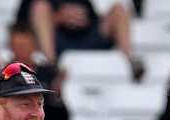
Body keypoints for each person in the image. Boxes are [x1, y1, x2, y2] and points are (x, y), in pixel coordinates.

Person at [0, 22, 70, 120]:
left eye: (25, 45)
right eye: (17, 45)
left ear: (35, 46)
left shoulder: (48, 74)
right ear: (10, 46)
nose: (21, 50)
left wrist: (57, 95)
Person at [16, 0, 144, 81]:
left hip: (87, 35)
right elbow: (21, 21)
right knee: (40, 6)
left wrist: (82, 18)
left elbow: (91, 14)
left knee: (119, 9)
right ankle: (51, 66)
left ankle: (129, 61)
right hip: (56, 41)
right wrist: (57, 18)